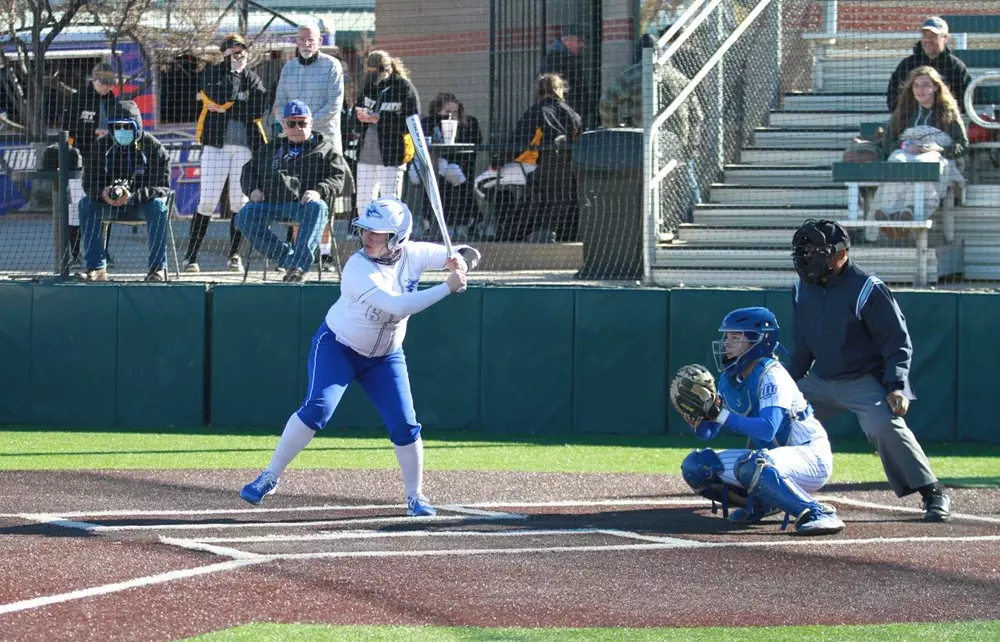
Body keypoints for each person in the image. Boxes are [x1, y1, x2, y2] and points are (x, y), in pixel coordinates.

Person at [240, 196, 480, 515]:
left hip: (385, 357)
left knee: (405, 425)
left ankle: (415, 496)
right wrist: (446, 287)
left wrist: (460, 261)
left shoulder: (414, 254)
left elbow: (466, 253)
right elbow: (398, 306)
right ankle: (270, 476)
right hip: (339, 346)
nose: (367, 237)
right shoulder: (357, 267)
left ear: (397, 238)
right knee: (318, 409)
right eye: (366, 230)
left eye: (377, 233)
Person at [789, 219, 951, 522]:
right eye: (804, 251)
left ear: (840, 253)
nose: (807, 257)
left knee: (884, 425)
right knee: (777, 413)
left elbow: (896, 341)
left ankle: (933, 491)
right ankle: (751, 487)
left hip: (863, 380)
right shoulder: (801, 289)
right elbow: (802, 345)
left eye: (814, 251)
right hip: (820, 380)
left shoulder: (868, 288)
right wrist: (783, 386)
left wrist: (897, 386)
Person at [678, 307, 846, 536]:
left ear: (759, 341)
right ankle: (763, 503)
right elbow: (709, 433)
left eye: (736, 337)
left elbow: (767, 429)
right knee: (697, 466)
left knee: (753, 464)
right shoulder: (731, 377)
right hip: (771, 460)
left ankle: (817, 512)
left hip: (810, 456)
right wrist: (697, 419)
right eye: (727, 336)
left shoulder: (772, 375)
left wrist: (720, 414)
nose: (727, 342)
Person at [234, 100, 349, 283]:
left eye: (302, 123)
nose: (297, 128)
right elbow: (248, 170)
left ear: (311, 123)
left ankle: (297, 267)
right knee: (243, 216)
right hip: (270, 203)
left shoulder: (325, 149)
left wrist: (319, 191)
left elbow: (338, 178)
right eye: (291, 123)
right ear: (284, 126)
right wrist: (252, 190)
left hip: (303, 205)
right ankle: (288, 258)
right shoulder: (272, 148)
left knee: (318, 208)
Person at [182, 34, 269, 274]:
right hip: (215, 146)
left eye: (241, 51)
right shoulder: (212, 73)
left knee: (239, 202)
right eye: (232, 52)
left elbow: (258, 109)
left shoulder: (253, 78)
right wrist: (233, 74)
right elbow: (220, 95)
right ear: (224, 53)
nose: (238, 55)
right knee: (208, 200)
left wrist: (228, 107)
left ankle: (234, 254)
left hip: (244, 147)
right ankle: (191, 256)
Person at [76, 100, 172, 282]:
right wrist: (102, 192)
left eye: (127, 126)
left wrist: (134, 196)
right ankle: (96, 268)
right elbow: (88, 182)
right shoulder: (101, 146)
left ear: (137, 126)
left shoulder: (153, 147)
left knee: (159, 206)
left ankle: (157, 269)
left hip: (140, 205)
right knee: (86, 204)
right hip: (109, 204)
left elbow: (163, 186)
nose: (122, 131)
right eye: (116, 126)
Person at [872, 66, 968, 228]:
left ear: (936, 87)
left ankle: (914, 210)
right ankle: (890, 212)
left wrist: (938, 148)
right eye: (915, 85)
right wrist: (906, 145)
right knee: (897, 160)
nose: (920, 89)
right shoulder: (903, 111)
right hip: (907, 152)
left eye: (925, 84)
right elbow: (889, 142)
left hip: (938, 156)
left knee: (925, 163)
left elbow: (962, 145)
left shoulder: (949, 112)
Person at [492, 73, 582, 243]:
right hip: (567, 173)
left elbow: (519, 143)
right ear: (560, 90)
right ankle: (558, 234)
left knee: (491, 185)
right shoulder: (573, 115)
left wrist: (499, 160)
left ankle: (506, 235)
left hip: (540, 170)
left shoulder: (537, 112)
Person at [62, 62, 119, 267]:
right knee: (77, 207)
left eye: (110, 83)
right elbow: (68, 130)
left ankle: (102, 252)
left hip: (105, 161)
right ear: (93, 79)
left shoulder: (112, 100)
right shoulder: (79, 98)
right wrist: (91, 133)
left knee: (107, 203)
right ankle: (76, 253)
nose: (106, 86)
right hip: (81, 160)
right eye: (103, 82)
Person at [351, 50, 420, 217]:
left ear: (388, 69)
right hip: (366, 154)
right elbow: (355, 116)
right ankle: (367, 238)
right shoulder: (369, 86)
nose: (373, 77)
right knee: (364, 202)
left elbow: (411, 122)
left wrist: (379, 119)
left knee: (390, 201)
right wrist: (359, 118)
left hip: (391, 154)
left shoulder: (403, 87)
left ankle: (393, 240)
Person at [409, 92, 483, 239]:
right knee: (438, 170)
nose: (451, 115)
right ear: (437, 111)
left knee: (448, 170)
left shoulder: (467, 124)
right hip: (429, 165)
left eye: (455, 112)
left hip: (455, 163)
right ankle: (432, 219)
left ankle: (465, 218)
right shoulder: (429, 122)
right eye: (447, 112)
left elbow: (474, 144)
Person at [887, 17, 971, 116]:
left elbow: (965, 101)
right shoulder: (907, 65)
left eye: (933, 36)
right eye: (925, 35)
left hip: (945, 122)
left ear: (945, 38)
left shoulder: (956, 67)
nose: (928, 40)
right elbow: (893, 98)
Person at [541, 24, 593, 128]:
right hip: (564, 118)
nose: (582, 45)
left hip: (573, 115)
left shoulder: (571, 57)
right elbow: (554, 92)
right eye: (579, 41)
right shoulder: (554, 60)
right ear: (567, 39)